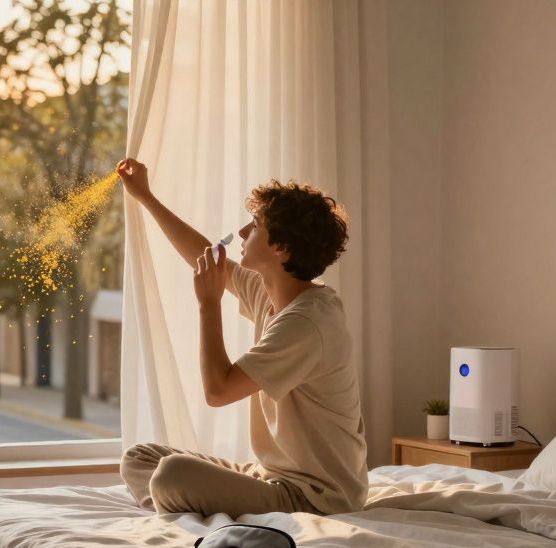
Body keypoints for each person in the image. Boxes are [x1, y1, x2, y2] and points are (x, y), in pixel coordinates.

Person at [116, 158, 368, 517]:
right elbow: (205, 257)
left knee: (171, 475)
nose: (243, 231)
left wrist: (208, 304)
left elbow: (218, 392)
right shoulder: (275, 291)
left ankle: (188, 511)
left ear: (280, 247)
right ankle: (191, 508)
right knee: (140, 458)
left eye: (255, 225)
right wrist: (146, 196)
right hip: (268, 477)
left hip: (312, 496)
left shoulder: (308, 322)